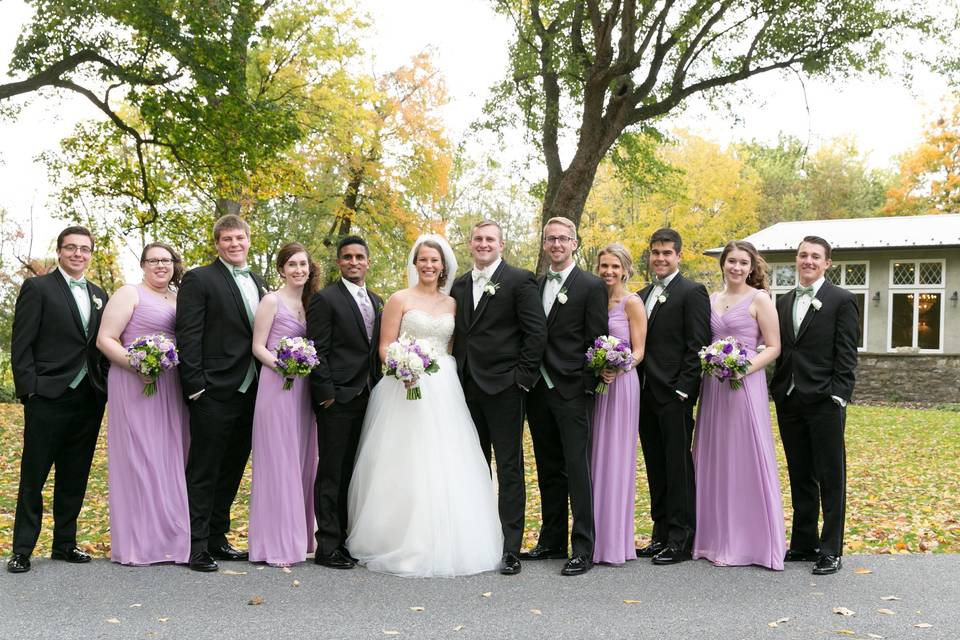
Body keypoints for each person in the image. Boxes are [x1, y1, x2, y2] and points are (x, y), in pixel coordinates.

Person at [346, 235, 502, 577]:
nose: (429, 265)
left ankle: (446, 538)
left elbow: (454, 347)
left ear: (443, 265)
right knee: (404, 459)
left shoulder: (453, 304)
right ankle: (397, 537)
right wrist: (402, 367)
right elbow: (385, 346)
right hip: (403, 385)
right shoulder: (399, 300)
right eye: (423, 260)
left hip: (443, 387)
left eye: (434, 260)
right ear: (415, 264)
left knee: (445, 460)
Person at [7, 225, 109, 574]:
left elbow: (99, 344)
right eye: (71, 248)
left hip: (89, 396)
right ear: (60, 251)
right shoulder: (38, 288)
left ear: (90, 253)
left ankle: (65, 543)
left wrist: (104, 384)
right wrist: (29, 390)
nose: (78, 254)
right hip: (48, 395)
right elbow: (21, 345)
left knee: (75, 473)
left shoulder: (99, 293)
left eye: (84, 249)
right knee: (34, 473)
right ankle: (22, 548)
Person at [450, 219, 546, 576]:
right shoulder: (458, 285)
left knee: (509, 467)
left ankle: (510, 548)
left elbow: (535, 333)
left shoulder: (520, 280)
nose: (483, 244)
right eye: (478, 238)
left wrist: (521, 380)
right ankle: (477, 543)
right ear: (470, 243)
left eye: (490, 239)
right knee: (472, 468)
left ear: (501, 244)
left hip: (505, 388)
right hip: (465, 389)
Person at [175, 214, 267, 572]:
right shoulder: (199, 279)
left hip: (252, 390)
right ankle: (194, 545)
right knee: (204, 469)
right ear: (217, 244)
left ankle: (218, 536)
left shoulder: (258, 282)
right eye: (226, 239)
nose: (234, 244)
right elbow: (189, 333)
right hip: (212, 390)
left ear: (248, 240)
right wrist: (195, 386)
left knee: (232, 468)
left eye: (239, 238)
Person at [692, 240, 785, 570]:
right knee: (714, 456)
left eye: (742, 262)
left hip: (745, 384)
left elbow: (773, 346)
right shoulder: (713, 299)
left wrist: (743, 368)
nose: (736, 267)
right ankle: (713, 539)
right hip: (714, 386)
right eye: (731, 261)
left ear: (751, 266)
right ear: (723, 264)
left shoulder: (760, 299)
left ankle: (750, 542)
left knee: (743, 455)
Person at [96, 242, 190, 566]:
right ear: (143, 264)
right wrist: (138, 365)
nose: (161, 266)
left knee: (169, 458)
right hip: (133, 382)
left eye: (166, 260)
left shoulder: (179, 298)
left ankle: (170, 542)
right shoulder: (128, 293)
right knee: (140, 459)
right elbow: (106, 338)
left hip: (169, 384)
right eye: (154, 260)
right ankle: (138, 544)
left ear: (173, 264)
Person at [523, 216, 607, 576]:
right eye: (550, 239)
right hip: (537, 390)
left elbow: (596, 340)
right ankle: (552, 539)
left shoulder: (590, 285)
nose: (556, 244)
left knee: (576, 468)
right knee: (547, 468)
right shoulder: (535, 283)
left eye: (563, 239)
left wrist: (586, 385)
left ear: (575, 243)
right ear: (544, 244)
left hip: (572, 389)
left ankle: (583, 548)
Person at [770, 236, 859, 576]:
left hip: (825, 400)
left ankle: (831, 549)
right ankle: (804, 542)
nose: (808, 261)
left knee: (830, 476)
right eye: (803, 255)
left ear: (827, 263)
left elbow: (847, 353)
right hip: (790, 398)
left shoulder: (842, 300)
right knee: (800, 473)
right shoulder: (784, 301)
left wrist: (839, 395)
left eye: (815, 257)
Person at [636, 228, 711, 565]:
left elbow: (697, 345)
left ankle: (681, 539)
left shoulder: (692, 292)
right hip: (644, 394)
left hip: (673, 395)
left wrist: (684, 391)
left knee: (678, 466)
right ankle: (661, 532)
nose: (661, 258)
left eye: (667, 253)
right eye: (656, 252)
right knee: (655, 465)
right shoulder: (642, 294)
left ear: (679, 255)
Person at [307, 235, 382, 570]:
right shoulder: (325, 299)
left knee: (355, 472)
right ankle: (327, 545)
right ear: (339, 262)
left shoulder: (377, 300)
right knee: (332, 472)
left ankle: (348, 539)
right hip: (337, 399)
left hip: (369, 398)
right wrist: (326, 396)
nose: (354, 262)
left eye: (359, 257)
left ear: (367, 261)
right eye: (347, 257)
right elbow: (318, 351)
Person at [248, 243, 321, 567]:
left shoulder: (311, 302)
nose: (298, 270)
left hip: (304, 389)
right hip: (277, 386)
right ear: (281, 269)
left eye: (303, 264)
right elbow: (258, 346)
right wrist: (283, 365)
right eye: (292, 264)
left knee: (303, 460)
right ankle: (274, 544)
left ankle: (301, 539)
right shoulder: (271, 301)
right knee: (279, 462)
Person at [590, 244, 646, 566]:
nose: (609, 272)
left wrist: (618, 365)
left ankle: (615, 543)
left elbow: (639, 350)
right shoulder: (595, 299)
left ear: (625, 269)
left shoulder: (632, 302)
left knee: (616, 457)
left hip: (623, 384)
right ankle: (594, 538)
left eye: (614, 266)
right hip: (598, 385)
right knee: (597, 457)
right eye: (604, 266)